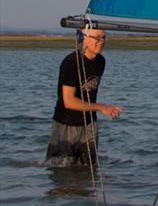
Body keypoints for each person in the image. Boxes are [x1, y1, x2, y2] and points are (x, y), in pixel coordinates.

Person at [46, 27, 122, 165]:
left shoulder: (101, 62)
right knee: (62, 171)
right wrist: (101, 107)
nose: (102, 41)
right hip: (66, 125)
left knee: (88, 169)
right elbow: (68, 101)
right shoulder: (71, 62)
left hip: (89, 126)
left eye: (104, 38)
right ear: (84, 39)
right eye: (97, 38)